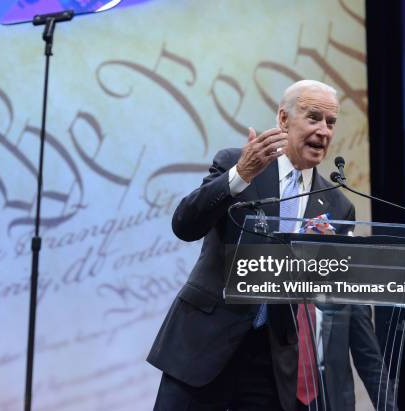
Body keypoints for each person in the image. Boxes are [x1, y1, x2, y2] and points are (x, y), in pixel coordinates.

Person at [147, 80, 392, 410]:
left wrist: (327, 270)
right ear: (283, 119)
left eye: (330, 122)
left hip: (272, 360)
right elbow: (185, 225)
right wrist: (239, 176)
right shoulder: (238, 164)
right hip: (203, 346)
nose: (323, 131)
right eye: (313, 117)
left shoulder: (336, 205)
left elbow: (333, 298)